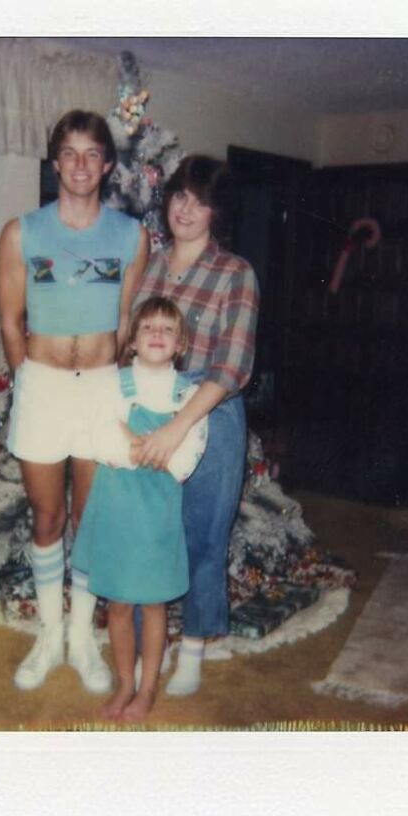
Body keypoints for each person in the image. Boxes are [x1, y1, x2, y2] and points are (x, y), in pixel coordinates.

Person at [0, 110, 150, 692]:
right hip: (43, 384)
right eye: (70, 153)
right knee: (48, 515)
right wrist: (30, 382)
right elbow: (11, 323)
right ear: (55, 161)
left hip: (102, 389)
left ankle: (83, 638)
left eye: (92, 154)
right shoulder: (23, 232)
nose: (80, 165)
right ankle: (49, 635)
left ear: (107, 164)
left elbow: (127, 320)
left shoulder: (132, 236)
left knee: (89, 519)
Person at [131, 154, 260, 696]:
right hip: (149, 403)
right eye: (181, 195)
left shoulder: (236, 273)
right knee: (148, 535)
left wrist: (178, 427)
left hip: (210, 411)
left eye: (201, 200)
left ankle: (193, 649)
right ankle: (149, 650)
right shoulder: (152, 264)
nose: (187, 208)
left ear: (216, 212)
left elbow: (232, 367)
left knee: (204, 538)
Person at [72, 297, 208, 721]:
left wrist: (133, 437)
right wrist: (151, 447)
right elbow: (101, 441)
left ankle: (147, 687)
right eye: (148, 328)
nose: (157, 336)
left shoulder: (188, 397)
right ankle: (125, 682)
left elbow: (184, 460)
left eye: (168, 330)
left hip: (157, 515)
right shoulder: (113, 386)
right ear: (131, 340)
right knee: (117, 604)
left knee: (152, 604)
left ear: (181, 343)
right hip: (115, 508)